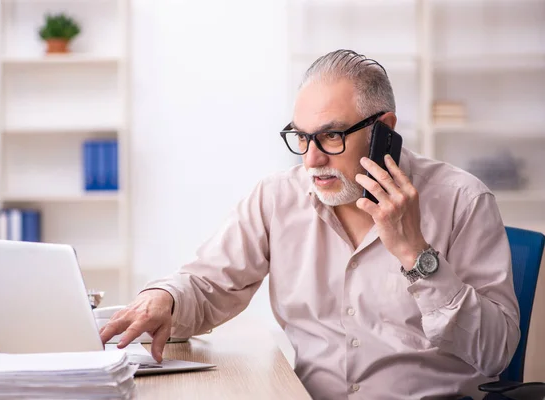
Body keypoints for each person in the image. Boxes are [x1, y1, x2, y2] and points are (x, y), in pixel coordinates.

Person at [99, 49, 520, 399]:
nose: (311, 160)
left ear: (384, 130)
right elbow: (208, 286)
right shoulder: (277, 198)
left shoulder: (462, 199)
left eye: (331, 137)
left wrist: (416, 254)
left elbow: (495, 353)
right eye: (301, 137)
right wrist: (164, 298)